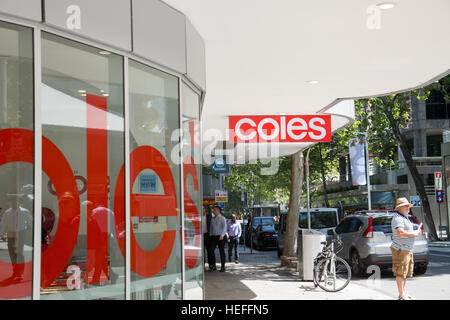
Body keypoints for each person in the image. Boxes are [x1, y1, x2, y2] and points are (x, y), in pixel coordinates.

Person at [391, 197, 421, 300]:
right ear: (399, 208)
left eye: (408, 206)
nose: (408, 207)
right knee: (400, 272)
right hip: (401, 249)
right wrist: (414, 233)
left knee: (404, 273)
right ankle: (401, 295)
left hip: (406, 249)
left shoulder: (404, 217)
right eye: (406, 206)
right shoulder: (398, 218)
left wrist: (414, 233)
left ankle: (403, 293)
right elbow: (401, 233)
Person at [208, 206, 227, 272]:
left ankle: (223, 266)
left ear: (218, 211)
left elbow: (225, 227)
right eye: (213, 210)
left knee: (221, 252)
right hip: (213, 236)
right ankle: (213, 265)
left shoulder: (222, 218)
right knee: (211, 250)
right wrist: (210, 234)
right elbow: (211, 227)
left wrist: (222, 235)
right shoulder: (213, 219)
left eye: (215, 210)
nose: (214, 211)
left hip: (220, 236)